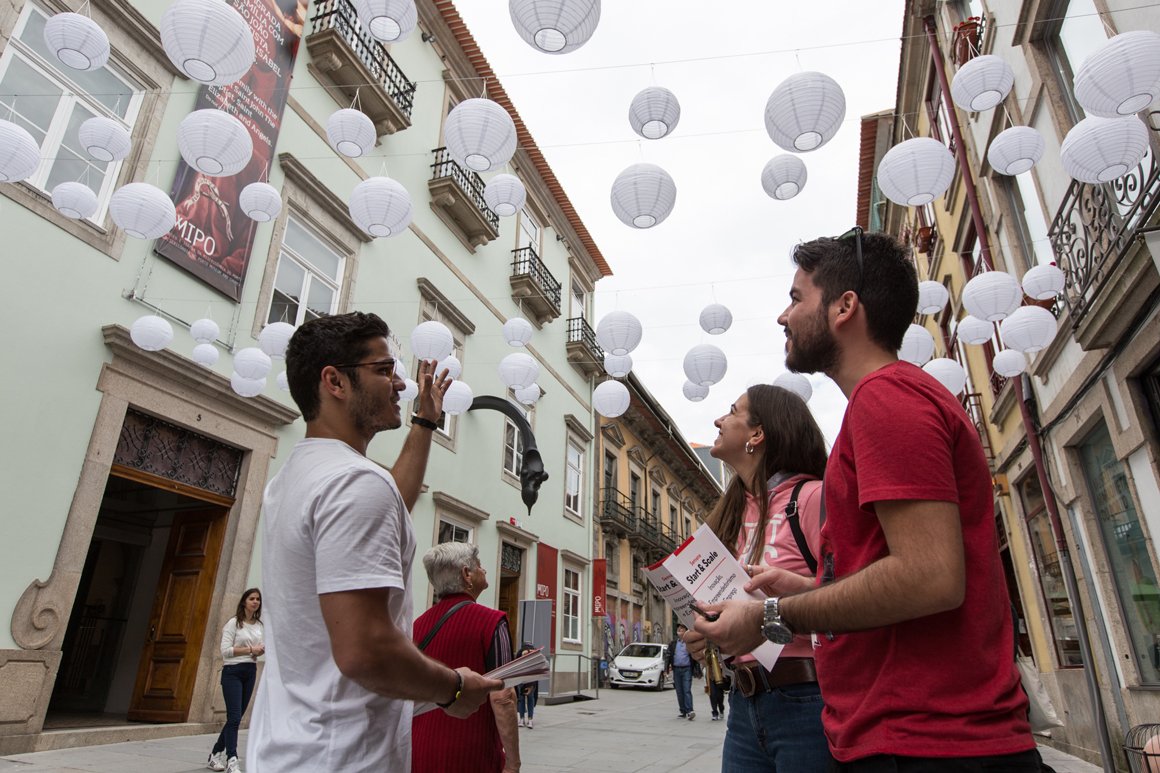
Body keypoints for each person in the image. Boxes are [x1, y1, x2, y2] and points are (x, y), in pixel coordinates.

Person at [693, 229, 1036, 771]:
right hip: (912, 736)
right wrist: (811, 589)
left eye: (796, 298)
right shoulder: (888, 398)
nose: (784, 316)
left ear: (844, 307)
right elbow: (904, 578)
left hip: (928, 742)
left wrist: (768, 616)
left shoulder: (886, 398)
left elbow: (930, 578)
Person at [247, 312, 504, 772]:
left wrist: (424, 421)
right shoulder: (355, 483)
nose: (400, 384)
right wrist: (454, 689)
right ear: (335, 382)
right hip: (342, 756)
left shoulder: (296, 477)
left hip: (292, 749)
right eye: (384, 370)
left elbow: (392, 504)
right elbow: (365, 649)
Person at [696, 384, 830, 769]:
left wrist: (799, 592)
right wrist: (708, 632)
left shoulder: (812, 497)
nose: (719, 420)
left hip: (807, 700)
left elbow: (859, 596)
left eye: (732, 411)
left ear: (757, 434)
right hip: (743, 704)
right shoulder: (731, 514)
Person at [411, 543, 520, 773]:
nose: (484, 570)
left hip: (419, 749)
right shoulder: (492, 621)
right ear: (466, 574)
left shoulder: (417, 625)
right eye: (479, 565)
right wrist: (513, 763)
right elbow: (503, 696)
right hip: (471, 754)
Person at [206, 588, 264, 773]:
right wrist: (250, 650)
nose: (255, 602)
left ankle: (215, 754)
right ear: (244, 601)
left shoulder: (259, 625)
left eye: (258, 599)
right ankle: (232, 759)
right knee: (234, 718)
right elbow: (225, 651)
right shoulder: (234, 623)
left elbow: (258, 648)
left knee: (235, 718)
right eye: (251, 598)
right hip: (232, 672)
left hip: (250, 671)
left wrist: (259, 651)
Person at [666, 624, 697, 720]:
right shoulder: (673, 643)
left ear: (686, 632)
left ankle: (690, 711)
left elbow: (694, 656)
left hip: (687, 669)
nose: (679, 630)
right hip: (676, 669)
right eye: (678, 629)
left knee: (686, 690)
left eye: (682, 629)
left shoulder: (689, 643)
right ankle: (683, 711)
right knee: (679, 691)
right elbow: (668, 656)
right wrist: (666, 669)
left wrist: (697, 670)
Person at [515, 642, 539, 729]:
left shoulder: (535, 657)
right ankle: (524, 719)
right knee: (523, 698)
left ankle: (528, 719)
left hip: (530, 680)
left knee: (529, 698)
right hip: (522, 679)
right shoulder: (520, 655)